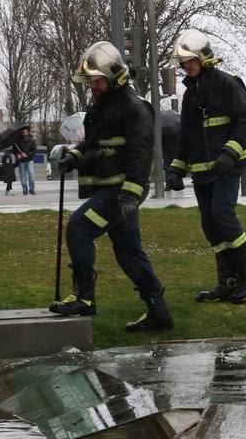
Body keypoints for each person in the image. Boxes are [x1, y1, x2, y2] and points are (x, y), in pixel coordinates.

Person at [50, 41, 173, 332]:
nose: (92, 85)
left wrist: (131, 193)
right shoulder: (100, 108)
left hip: (120, 193)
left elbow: (141, 152)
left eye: (96, 79)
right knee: (128, 250)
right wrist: (75, 157)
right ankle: (159, 312)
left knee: (79, 228)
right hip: (113, 191)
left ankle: (85, 298)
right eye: (90, 80)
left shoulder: (134, 108)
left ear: (114, 75)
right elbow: (95, 145)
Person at [164, 29, 246, 304]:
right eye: (183, 64)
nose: (187, 67)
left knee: (222, 215)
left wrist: (229, 155)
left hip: (227, 167)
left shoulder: (227, 84)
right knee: (210, 225)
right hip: (202, 172)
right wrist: (175, 169)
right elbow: (187, 136)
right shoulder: (191, 94)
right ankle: (227, 281)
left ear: (204, 58)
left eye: (190, 61)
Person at [13, 125, 37, 195]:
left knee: (31, 174)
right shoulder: (17, 141)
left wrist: (26, 154)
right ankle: (25, 189)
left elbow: (35, 150)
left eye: (26, 132)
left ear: (28, 132)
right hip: (21, 162)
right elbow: (14, 150)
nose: (24, 134)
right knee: (23, 177)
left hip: (30, 160)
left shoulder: (32, 140)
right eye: (23, 132)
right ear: (21, 133)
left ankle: (32, 189)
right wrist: (18, 155)